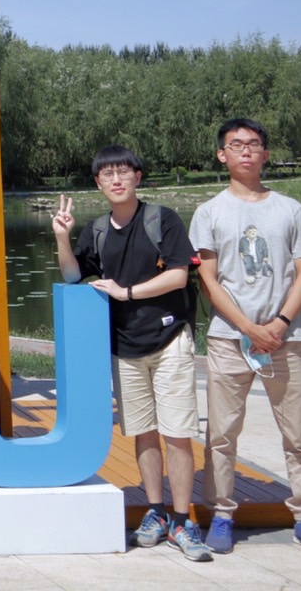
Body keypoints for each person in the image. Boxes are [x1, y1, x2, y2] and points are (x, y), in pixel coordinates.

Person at [51, 145, 210, 561]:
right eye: (107, 174)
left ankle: (182, 520)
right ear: (98, 183)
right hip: (124, 345)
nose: (116, 179)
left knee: (177, 432)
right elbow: (72, 274)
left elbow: (178, 276)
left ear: (138, 177)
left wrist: (128, 292)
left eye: (123, 172)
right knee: (144, 430)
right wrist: (62, 237)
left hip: (170, 338)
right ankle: (156, 512)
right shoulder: (97, 230)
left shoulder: (162, 220)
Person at [190, 119, 301, 558]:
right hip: (229, 338)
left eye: (254, 145)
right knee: (221, 433)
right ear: (222, 155)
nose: (246, 151)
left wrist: (281, 322)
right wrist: (248, 327)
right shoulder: (209, 211)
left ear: (266, 154)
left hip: (287, 338)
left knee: (299, 433)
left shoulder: (289, 208)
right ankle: (222, 513)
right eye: (236, 145)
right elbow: (208, 279)